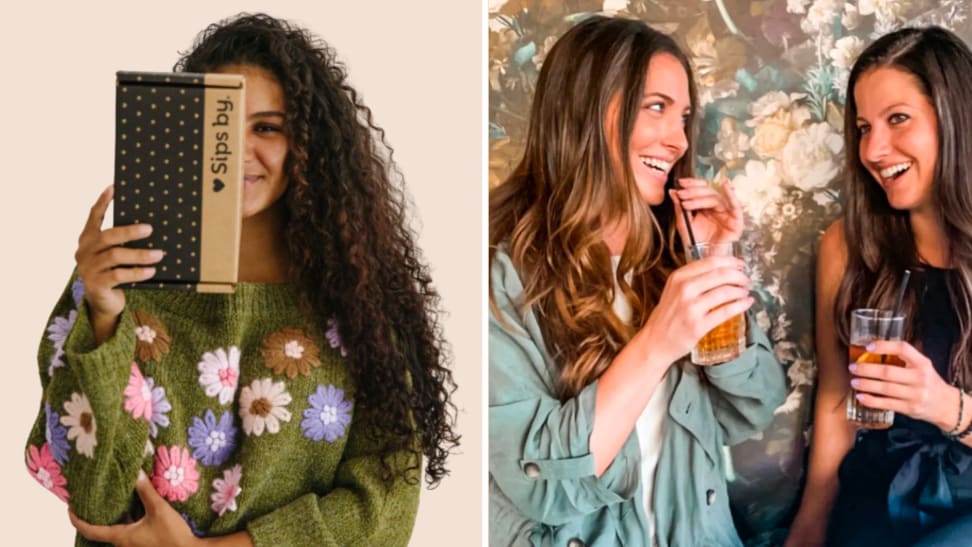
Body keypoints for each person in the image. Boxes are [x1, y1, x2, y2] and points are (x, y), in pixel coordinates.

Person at [25, 13, 458, 547]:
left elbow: (384, 509)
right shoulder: (118, 269)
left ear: (307, 144)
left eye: (268, 127)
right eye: (219, 124)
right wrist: (104, 314)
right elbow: (90, 495)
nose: (235, 151)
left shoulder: (357, 291)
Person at [488, 15, 785, 546]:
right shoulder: (498, 276)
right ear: (583, 110)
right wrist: (656, 343)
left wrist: (710, 260)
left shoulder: (670, 258)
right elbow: (541, 488)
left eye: (684, 116)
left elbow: (753, 406)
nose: (677, 140)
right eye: (656, 108)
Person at [786, 26, 972, 547]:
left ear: (954, 119)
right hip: (876, 490)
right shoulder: (846, 246)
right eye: (864, 127)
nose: (874, 148)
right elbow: (835, 399)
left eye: (897, 120)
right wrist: (808, 526)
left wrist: (947, 408)